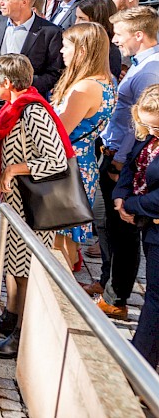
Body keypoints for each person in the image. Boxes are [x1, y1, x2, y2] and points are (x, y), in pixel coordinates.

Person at [0, 54, 71, 359]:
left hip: (32, 206)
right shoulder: (13, 106)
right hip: (14, 203)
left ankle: (22, 335)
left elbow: (56, 160)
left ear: (6, 83)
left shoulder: (33, 111)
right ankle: (10, 316)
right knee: (10, 264)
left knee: (25, 270)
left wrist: (13, 170)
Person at [97, 7, 159, 320]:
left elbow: (141, 126)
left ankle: (116, 296)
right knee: (110, 228)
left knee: (122, 232)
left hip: (123, 160)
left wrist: (119, 162)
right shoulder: (140, 64)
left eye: (119, 34)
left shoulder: (150, 70)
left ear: (138, 35)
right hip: (117, 154)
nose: (116, 40)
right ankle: (109, 285)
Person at [51, 23, 116, 270]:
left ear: (81, 51)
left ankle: (59, 296)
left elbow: (59, 133)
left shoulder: (85, 88)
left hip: (69, 165)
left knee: (61, 237)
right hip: (83, 160)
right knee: (67, 234)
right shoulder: (105, 81)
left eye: (66, 46)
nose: (61, 52)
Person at [0, 0, 64, 157]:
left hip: (21, 109)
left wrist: (24, 89)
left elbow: (54, 72)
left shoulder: (49, 32)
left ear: (24, 2)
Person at [113, 83, 159, 368]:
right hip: (148, 226)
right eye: (148, 126)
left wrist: (131, 206)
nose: (152, 132)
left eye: (157, 127)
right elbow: (133, 164)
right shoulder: (149, 136)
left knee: (155, 298)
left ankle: (139, 362)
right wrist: (120, 195)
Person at [75, 0, 122, 81]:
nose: (76, 23)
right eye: (76, 17)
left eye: (82, 19)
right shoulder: (83, 44)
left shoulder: (109, 52)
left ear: (98, 20)